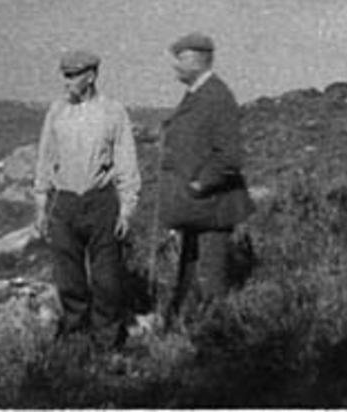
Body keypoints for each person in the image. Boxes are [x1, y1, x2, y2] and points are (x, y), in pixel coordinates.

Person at [34, 49, 140, 347]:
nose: (66, 82)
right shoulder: (56, 111)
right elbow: (45, 158)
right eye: (64, 76)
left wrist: (127, 209)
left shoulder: (113, 112)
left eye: (72, 76)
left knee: (107, 280)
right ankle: (76, 338)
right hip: (64, 202)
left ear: (90, 76)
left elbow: (126, 162)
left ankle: (108, 343)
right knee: (68, 278)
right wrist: (41, 205)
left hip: (101, 201)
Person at [158, 32, 255, 328]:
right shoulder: (199, 94)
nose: (176, 65)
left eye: (182, 58)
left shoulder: (216, 96)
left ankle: (217, 342)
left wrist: (199, 185)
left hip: (211, 207)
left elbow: (230, 157)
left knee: (211, 281)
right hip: (196, 208)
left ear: (200, 60)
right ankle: (191, 333)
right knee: (192, 276)